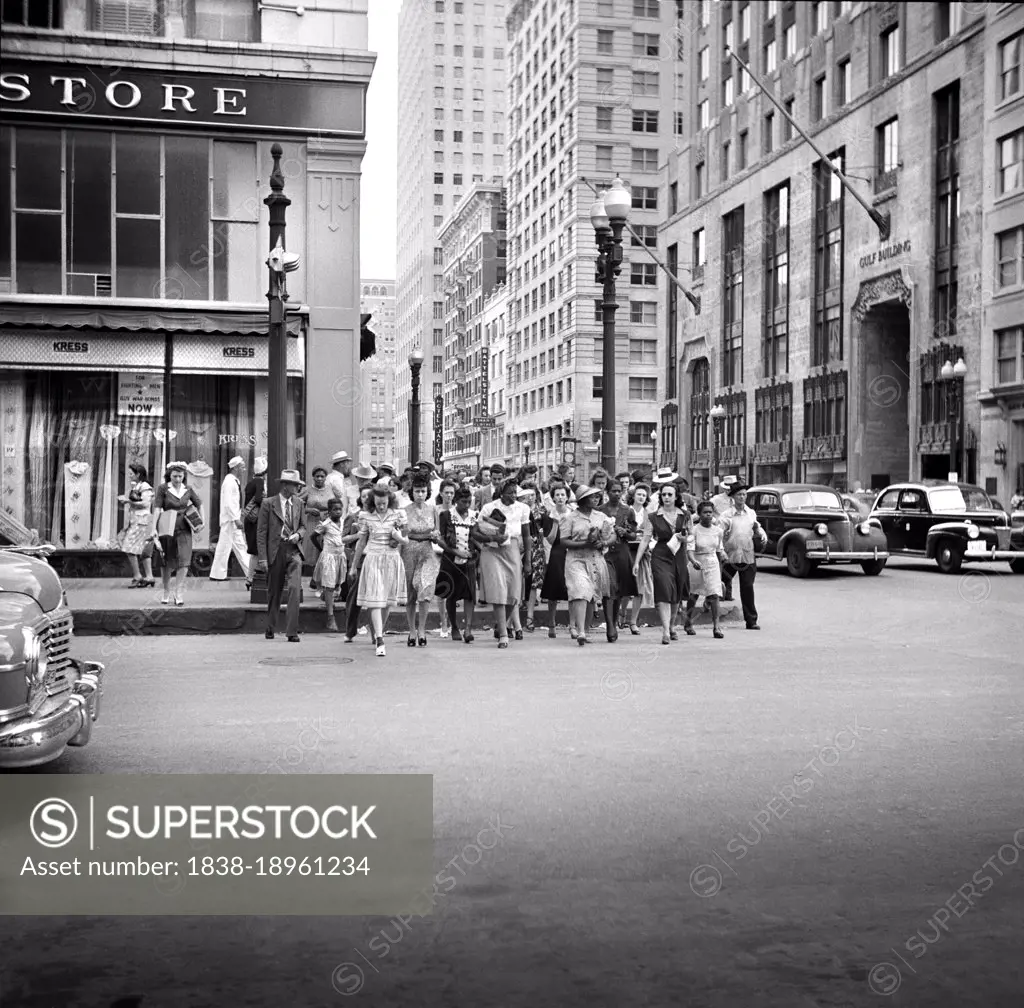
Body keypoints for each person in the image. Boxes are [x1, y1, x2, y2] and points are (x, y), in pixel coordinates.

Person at [352, 480, 410, 657]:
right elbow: (361, 541)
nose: (381, 506)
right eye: (378, 503)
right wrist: (354, 566)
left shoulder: (398, 515)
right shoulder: (366, 516)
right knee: (375, 599)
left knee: (386, 601)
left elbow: (406, 538)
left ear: (389, 500)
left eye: (384, 503)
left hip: (392, 560)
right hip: (373, 559)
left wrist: (397, 537)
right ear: (372, 502)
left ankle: (379, 630)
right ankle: (379, 638)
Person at [474, 477, 531, 648]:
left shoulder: (523, 508)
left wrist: (527, 559)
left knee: (513, 593)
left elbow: (527, 536)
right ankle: (504, 634)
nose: (514, 495)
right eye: (510, 492)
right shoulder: (489, 507)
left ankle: (500, 623)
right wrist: (492, 537)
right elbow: (476, 532)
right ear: (501, 492)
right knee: (498, 591)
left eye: (516, 492)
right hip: (492, 550)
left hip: (512, 548)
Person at [635, 482, 691, 645]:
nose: (666, 497)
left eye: (669, 494)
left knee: (676, 594)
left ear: (676, 497)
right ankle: (666, 631)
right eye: (663, 494)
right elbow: (646, 539)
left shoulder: (685, 515)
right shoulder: (653, 516)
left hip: (679, 555)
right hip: (661, 555)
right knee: (664, 589)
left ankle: (672, 626)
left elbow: (692, 536)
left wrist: (685, 539)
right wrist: (637, 562)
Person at [560, 485, 615, 645]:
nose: (596, 499)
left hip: (595, 558)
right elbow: (563, 541)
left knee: (591, 594)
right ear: (583, 499)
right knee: (580, 590)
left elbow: (611, 535)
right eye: (592, 497)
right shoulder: (570, 517)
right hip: (576, 559)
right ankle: (580, 631)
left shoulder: (601, 516)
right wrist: (585, 543)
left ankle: (586, 629)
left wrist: (603, 542)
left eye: (598, 496)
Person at [257, 469, 307, 642]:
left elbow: (303, 527)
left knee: (294, 588)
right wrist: (262, 558)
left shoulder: (299, 503)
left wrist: (298, 535)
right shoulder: (268, 503)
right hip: (275, 551)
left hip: (294, 551)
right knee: (274, 591)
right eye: (295, 485)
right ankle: (270, 626)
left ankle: (292, 631)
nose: (297, 488)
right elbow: (261, 532)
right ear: (285, 485)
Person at [153, 462, 203, 606]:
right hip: (166, 528)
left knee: (184, 560)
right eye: (175, 476)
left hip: (185, 528)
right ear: (169, 475)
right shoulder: (163, 489)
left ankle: (178, 592)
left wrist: (202, 521)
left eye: (180, 476)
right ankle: (166, 590)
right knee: (167, 561)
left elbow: (199, 503)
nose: (178, 479)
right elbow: (157, 508)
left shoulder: (188, 489)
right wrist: (153, 528)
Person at [720, 483, 768, 631]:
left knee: (747, 587)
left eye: (744, 494)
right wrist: (721, 550)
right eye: (739, 494)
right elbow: (718, 534)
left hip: (747, 555)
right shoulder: (726, 515)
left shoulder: (750, 513)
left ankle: (751, 620)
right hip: (730, 556)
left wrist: (762, 533)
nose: (742, 497)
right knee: (719, 584)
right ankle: (708, 608)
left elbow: (755, 525)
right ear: (733, 497)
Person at [402, 474, 442, 648]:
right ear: (412, 492)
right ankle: (411, 630)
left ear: (428, 492)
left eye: (423, 491)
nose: (420, 494)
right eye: (417, 491)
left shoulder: (433, 509)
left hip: (427, 551)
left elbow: (437, 532)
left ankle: (422, 629)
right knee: (410, 593)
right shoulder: (405, 510)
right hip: (409, 551)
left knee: (425, 590)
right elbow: (403, 533)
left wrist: (434, 536)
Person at [436, 484, 479, 642]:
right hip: (450, 560)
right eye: (463, 502)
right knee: (451, 594)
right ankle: (454, 626)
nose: (466, 505)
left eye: (469, 502)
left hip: (469, 560)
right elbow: (441, 541)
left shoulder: (474, 516)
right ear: (456, 501)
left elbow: (477, 537)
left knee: (470, 595)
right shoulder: (446, 515)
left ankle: (468, 628)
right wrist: (456, 552)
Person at [685, 501, 729, 639]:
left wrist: (722, 555)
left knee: (715, 594)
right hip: (697, 562)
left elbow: (718, 549)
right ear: (699, 514)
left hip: (712, 563)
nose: (708, 515)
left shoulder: (718, 531)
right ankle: (688, 622)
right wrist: (693, 561)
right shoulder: (694, 530)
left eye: (710, 512)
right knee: (694, 594)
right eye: (705, 512)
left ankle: (716, 626)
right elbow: (690, 550)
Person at [602, 477, 638, 634]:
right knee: (608, 588)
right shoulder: (600, 510)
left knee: (618, 591)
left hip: (622, 552)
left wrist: (626, 532)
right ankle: (609, 624)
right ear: (607, 492)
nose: (616, 494)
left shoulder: (628, 511)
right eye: (613, 491)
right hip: (605, 553)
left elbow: (633, 535)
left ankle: (614, 622)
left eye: (619, 491)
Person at [210, 455, 250, 583]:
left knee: (227, 546)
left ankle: (218, 573)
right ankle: (252, 572)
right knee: (238, 546)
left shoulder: (232, 481)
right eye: (242, 467)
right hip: (230, 520)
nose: (243, 469)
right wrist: (235, 518)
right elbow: (228, 502)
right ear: (236, 468)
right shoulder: (229, 482)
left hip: (231, 519)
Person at [539, 482, 572, 638]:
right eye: (557, 495)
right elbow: (550, 539)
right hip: (556, 552)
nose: (560, 497)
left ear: (567, 497)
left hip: (571, 551)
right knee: (553, 590)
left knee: (573, 589)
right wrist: (556, 523)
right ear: (552, 497)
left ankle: (573, 624)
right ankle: (551, 623)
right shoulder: (549, 515)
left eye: (562, 495)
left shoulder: (573, 513)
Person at [312, 497, 347, 632]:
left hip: (340, 557)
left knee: (337, 584)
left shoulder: (343, 522)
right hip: (329, 557)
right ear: (329, 511)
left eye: (340, 509)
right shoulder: (325, 524)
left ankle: (326, 597)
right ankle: (330, 617)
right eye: (335, 510)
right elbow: (313, 536)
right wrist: (321, 548)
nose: (338, 512)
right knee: (330, 585)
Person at [119, 463, 155, 588]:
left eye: (131, 474)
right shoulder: (138, 486)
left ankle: (137, 575)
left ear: (138, 474)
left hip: (141, 521)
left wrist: (128, 501)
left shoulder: (145, 487)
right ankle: (149, 576)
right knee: (144, 548)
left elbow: (145, 503)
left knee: (128, 546)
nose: (129, 476)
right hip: (138, 520)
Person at [624, 483, 653, 633]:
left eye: (644, 495)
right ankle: (621, 615)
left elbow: (650, 534)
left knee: (639, 588)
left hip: (641, 553)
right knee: (624, 586)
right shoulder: (626, 511)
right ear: (633, 496)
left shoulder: (648, 514)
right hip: (627, 550)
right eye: (639, 494)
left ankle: (633, 621)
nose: (641, 497)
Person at [299, 466, 338, 576]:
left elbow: (337, 505)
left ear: (326, 477)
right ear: (313, 477)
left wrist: (330, 513)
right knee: (313, 549)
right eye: (317, 476)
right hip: (312, 522)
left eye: (322, 476)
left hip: (327, 523)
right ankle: (314, 577)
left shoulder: (330, 489)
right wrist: (309, 510)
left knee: (326, 548)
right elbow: (298, 505)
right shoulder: (307, 490)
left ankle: (323, 576)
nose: (320, 478)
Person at [518, 484, 547, 632]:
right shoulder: (516, 510)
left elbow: (546, 529)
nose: (529, 498)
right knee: (517, 580)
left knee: (533, 582)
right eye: (525, 495)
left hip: (535, 547)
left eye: (532, 494)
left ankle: (530, 617)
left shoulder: (541, 510)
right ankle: (514, 619)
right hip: (518, 546)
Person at [242, 456, 268, 586]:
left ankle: (250, 578)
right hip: (256, 520)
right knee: (257, 549)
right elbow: (258, 499)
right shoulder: (259, 482)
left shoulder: (251, 482)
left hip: (250, 519)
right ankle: (251, 578)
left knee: (254, 550)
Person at [326, 450, 359, 517]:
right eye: (347, 464)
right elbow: (341, 499)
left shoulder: (333, 477)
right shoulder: (336, 479)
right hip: (339, 517)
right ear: (342, 464)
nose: (348, 467)